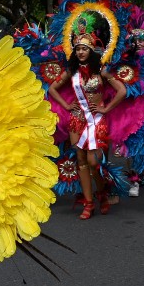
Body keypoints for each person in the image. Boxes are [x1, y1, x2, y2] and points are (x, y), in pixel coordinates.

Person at [47, 34, 126, 219]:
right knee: (81, 162)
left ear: (91, 51)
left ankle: (102, 194)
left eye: (84, 49)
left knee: (93, 162)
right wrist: (66, 106)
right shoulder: (71, 72)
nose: (81, 52)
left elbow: (122, 91)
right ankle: (89, 204)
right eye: (78, 49)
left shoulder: (102, 71)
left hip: (97, 120)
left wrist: (106, 108)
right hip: (77, 120)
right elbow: (52, 89)